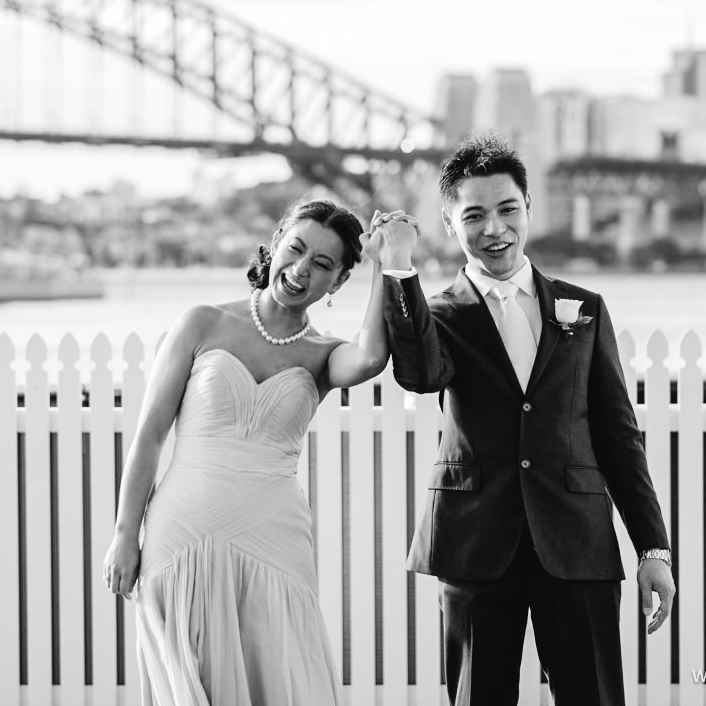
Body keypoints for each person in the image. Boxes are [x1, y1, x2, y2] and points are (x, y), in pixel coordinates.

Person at [370, 133, 676, 706]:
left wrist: (652, 550)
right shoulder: (437, 315)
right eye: (475, 216)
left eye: (508, 210)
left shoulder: (582, 308)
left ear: (528, 208)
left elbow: (618, 436)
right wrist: (398, 266)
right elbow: (417, 373)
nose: (495, 230)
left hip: (577, 541)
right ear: (450, 221)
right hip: (476, 543)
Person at [103, 198, 394, 705]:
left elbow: (371, 355)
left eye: (323, 264)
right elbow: (150, 435)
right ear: (276, 241)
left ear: (340, 281)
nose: (302, 270)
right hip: (182, 535)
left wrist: (386, 266)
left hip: (274, 541)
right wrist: (125, 534)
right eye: (296, 249)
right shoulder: (202, 323)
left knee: (285, 681)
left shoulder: (325, 354)